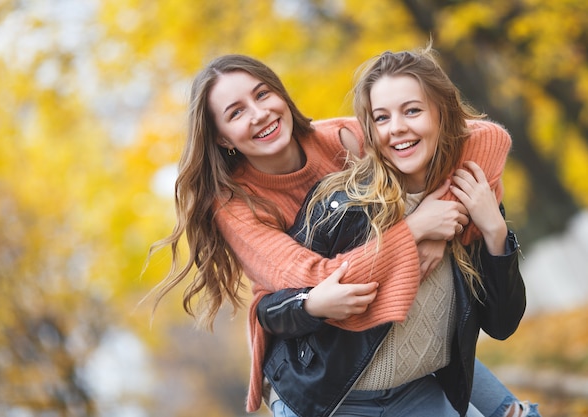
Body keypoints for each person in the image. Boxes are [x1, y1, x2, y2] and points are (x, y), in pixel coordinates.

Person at [146, 53, 522, 415]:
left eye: (262, 94)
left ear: (282, 95)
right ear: (223, 138)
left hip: (393, 330)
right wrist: (416, 230)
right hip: (317, 353)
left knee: (512, 410)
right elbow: (317, 279)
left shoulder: (342, 139)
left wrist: (444, 223)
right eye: (236, 112)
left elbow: (482, 137)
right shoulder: (235, 205)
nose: (259, 114)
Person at [257, 47, 538, 417]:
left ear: (442, 113)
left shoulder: (472, 197)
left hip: (415, 391)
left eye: (412, 110)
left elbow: (502, 325)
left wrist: (495, 231)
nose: (398, 128)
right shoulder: (343, 204)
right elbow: (271, 310)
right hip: (330, 400)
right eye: (382, 117)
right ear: (370, 129)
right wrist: (314, 303)